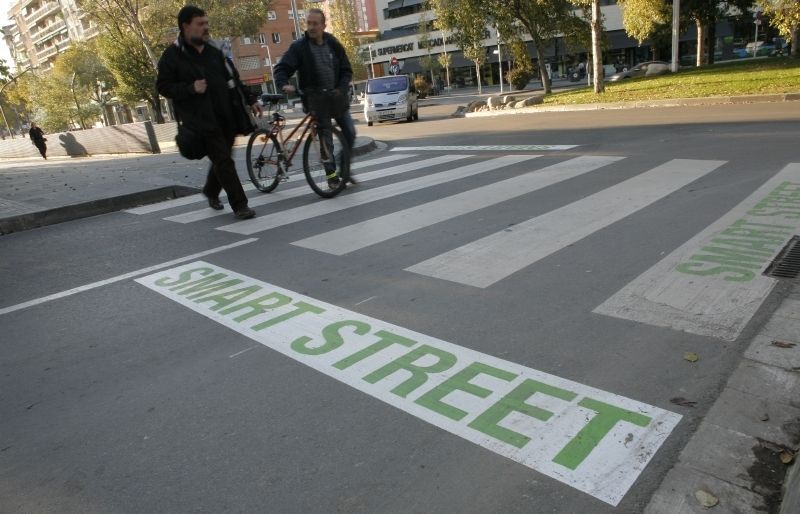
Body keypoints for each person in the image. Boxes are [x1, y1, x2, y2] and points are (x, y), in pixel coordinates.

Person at [156, 5, 261, 219]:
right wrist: (190, 88)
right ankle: (240, 206)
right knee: (223, 160)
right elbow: (163, 86)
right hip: (201, 119)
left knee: (222, 157)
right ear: (186, 26)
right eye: (200, 24)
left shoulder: (214, 50)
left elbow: (233, 78)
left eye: (206, 23)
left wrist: (250, 100)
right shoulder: (172, 56)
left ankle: (211, 190)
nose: (205, 28)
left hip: (227, 115)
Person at [273, 8, 357, 188]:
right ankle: (332, 178)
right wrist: (283, 84)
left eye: (315, 24)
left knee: (350, 132)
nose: (311, 27)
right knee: (326, 142)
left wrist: (342, 88)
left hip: (336, 97)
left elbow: (346, 69)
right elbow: (281, 69)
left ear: (323, 25)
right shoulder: (299, 47)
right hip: (316, 100)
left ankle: (344, 168)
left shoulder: (333, 43)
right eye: (308, 23)